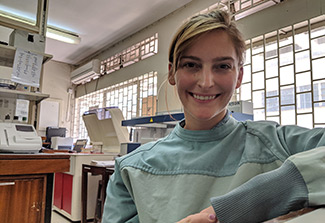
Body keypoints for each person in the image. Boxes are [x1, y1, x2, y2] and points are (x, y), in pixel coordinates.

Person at [101, 9, 325, 223]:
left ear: (239, 76)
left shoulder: (279, 144)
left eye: (223, 66)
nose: (206, 82)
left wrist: (246, 203)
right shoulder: (130, 169)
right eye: (191, 65)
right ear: (171, 73)